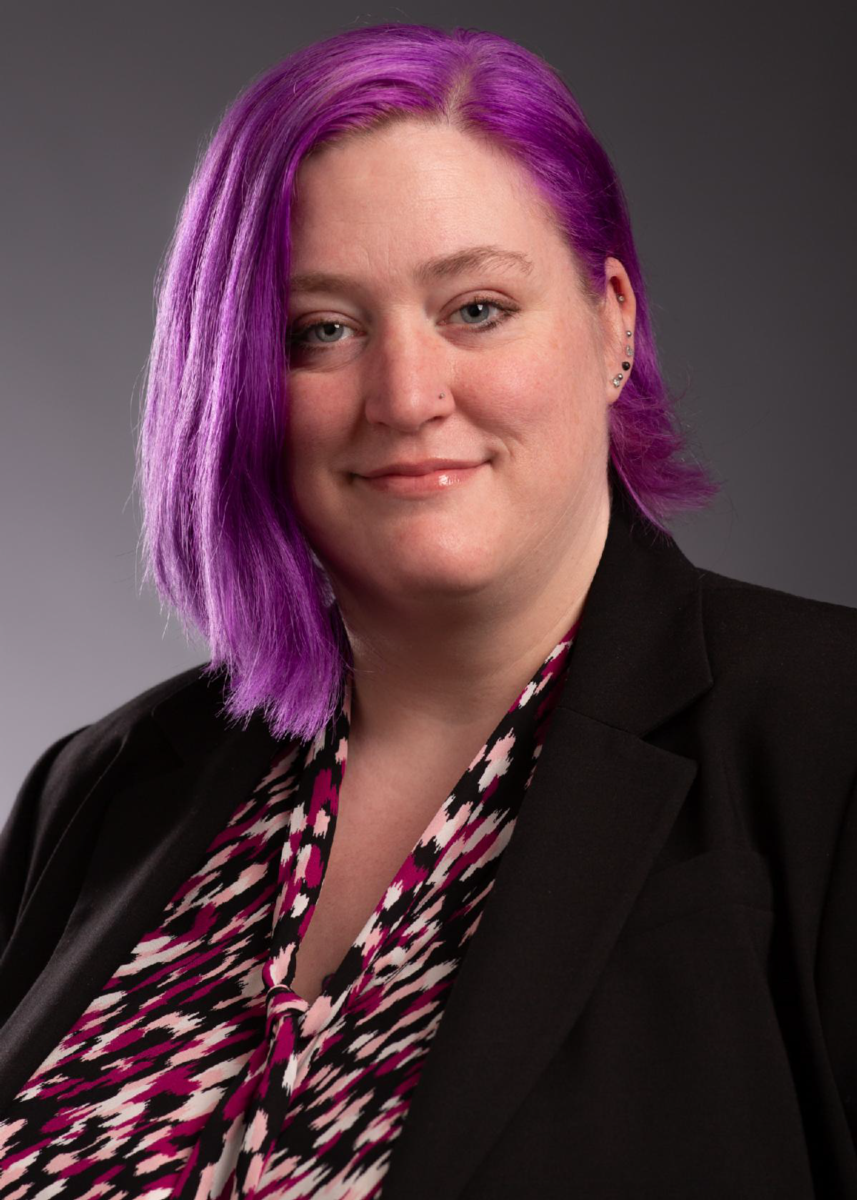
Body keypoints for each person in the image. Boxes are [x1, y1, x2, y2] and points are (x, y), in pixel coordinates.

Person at [0, 21, 854, 1200]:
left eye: (476, 309)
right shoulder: (96, 790)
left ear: (611, 318)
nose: (406, 396)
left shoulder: (829, 740)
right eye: (322, 332)